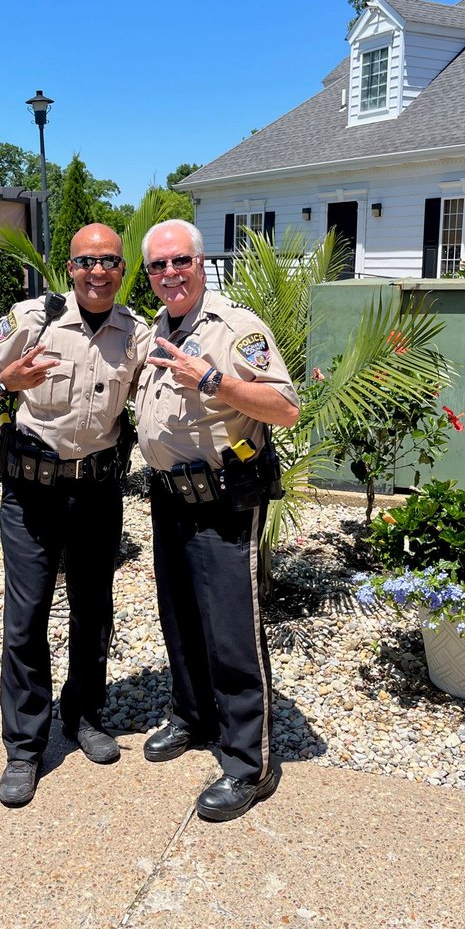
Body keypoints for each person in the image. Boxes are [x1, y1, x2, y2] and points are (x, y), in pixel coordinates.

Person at [0, 224, 149, 807]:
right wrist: (6, 381)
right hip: (33, 495)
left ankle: (84, 716)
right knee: (27, 616)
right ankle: (24, 747)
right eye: (87, 261)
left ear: (123, 271)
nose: (99, 271)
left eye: (111, 262)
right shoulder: (33, 319)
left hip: (97, 494)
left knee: (93, 610)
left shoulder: (137, 335)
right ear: (70, 268)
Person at [135, 219, 301, 823]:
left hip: (225, 499)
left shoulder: (235, 328)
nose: (169, 273)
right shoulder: (157, 328)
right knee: (178, 618)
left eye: (179, 261)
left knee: (232, 629)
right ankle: (192, 714)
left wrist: (213, 379)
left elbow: (284, 407)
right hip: (168, 496)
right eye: (157, 266)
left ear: (201, 263)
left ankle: (245, 762)